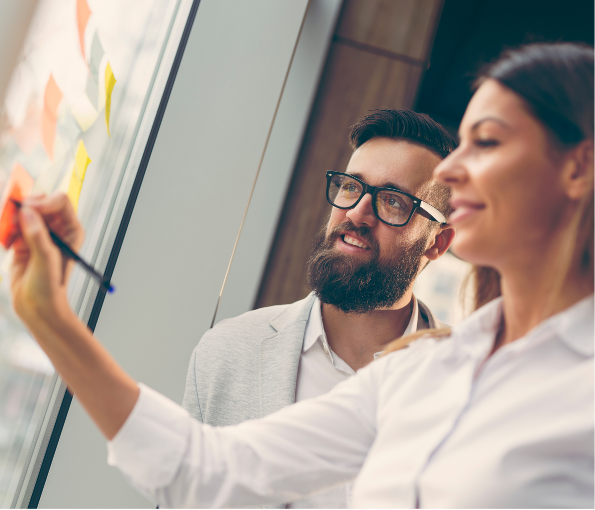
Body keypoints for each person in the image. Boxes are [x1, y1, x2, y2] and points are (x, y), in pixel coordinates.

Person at [10, 41, 595, 508]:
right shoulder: (429, 368)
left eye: (486, 142)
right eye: (460, 144)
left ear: (580, 167)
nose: (457, 170)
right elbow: (206, 471)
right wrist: (51, 317)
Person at [183, 109, 456, 508]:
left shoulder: (468, 385)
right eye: (350, 188)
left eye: (394, 202)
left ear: (437, 243)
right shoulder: (227, 351)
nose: (357, 213)